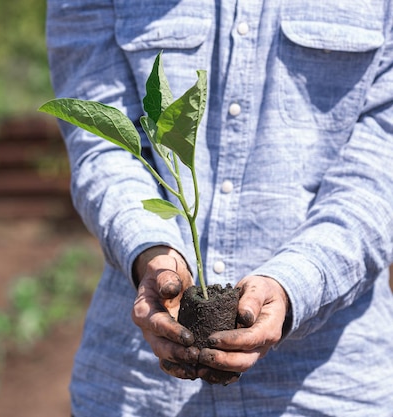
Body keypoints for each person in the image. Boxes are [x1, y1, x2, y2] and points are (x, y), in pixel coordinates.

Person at [45, 0, 393, 416]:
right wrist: (150, 250)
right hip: (138, 391)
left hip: (326, 389)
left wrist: (294, 284)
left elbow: (379, 168)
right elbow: (103, 150)